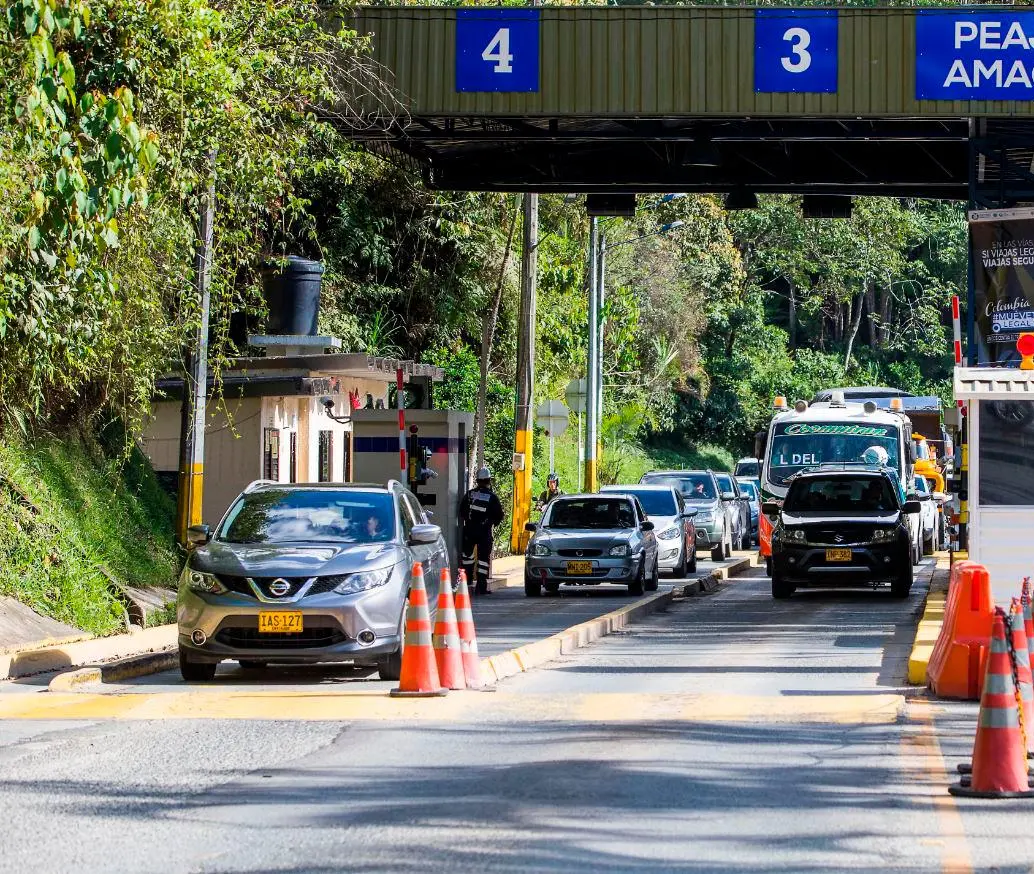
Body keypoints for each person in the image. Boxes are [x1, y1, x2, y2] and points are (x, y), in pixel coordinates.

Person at [459, 466, 504, 595]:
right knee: (483, 560)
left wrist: (469, 521)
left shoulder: (469, 495)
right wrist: (491, 523)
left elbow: (462, 511)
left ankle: (466, 583)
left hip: (469, 530)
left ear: (477, 480)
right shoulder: (492, 497)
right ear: (489, 480)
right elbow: (499, 515)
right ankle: (481, 586)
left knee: (467, 556)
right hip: (484, 532)